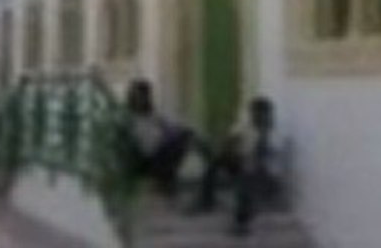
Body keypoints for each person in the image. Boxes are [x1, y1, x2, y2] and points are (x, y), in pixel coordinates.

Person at [195, 96, 286, 236]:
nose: (256, 117)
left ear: (267, 115)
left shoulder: (273, 135)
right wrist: (231, 147)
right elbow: (230, 142)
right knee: (217, 159)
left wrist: (262, 138)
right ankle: (206, 200)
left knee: (247, 178)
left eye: (260, 114)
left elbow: (264, 161)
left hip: (264, 176)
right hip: (242, 163)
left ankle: (241, 222)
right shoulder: (246, 127)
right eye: (254, 113)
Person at [121, 80, 205, 196]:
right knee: (185, 136)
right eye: (139, 96)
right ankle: (166, 179)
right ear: (133, 96)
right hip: (151, 156)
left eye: (145, 96)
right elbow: (145, 142)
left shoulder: (150, 113)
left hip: (161, 148)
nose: (142, 99)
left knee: (189, 133)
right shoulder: (129, 117)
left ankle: (211, 168)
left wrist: (175, 130)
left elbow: (166, 124)